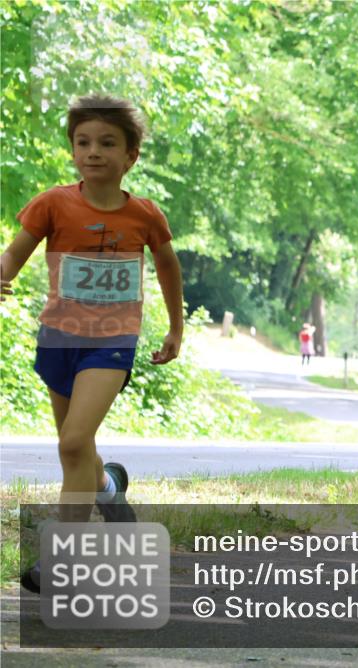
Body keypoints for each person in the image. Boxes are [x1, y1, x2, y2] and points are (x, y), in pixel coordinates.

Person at [1, 95, 184, 592]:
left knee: (73, 441)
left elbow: (168, 267)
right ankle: (108, 489)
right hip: (59, 339)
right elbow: (15, 253)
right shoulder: (53, 203)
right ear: (72, 150)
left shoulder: (145, 215)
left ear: (131, 156)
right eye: (83, 142)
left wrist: (175, 329)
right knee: (78, 454)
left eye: (107, 143)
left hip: (112, 343)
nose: (93, 152)